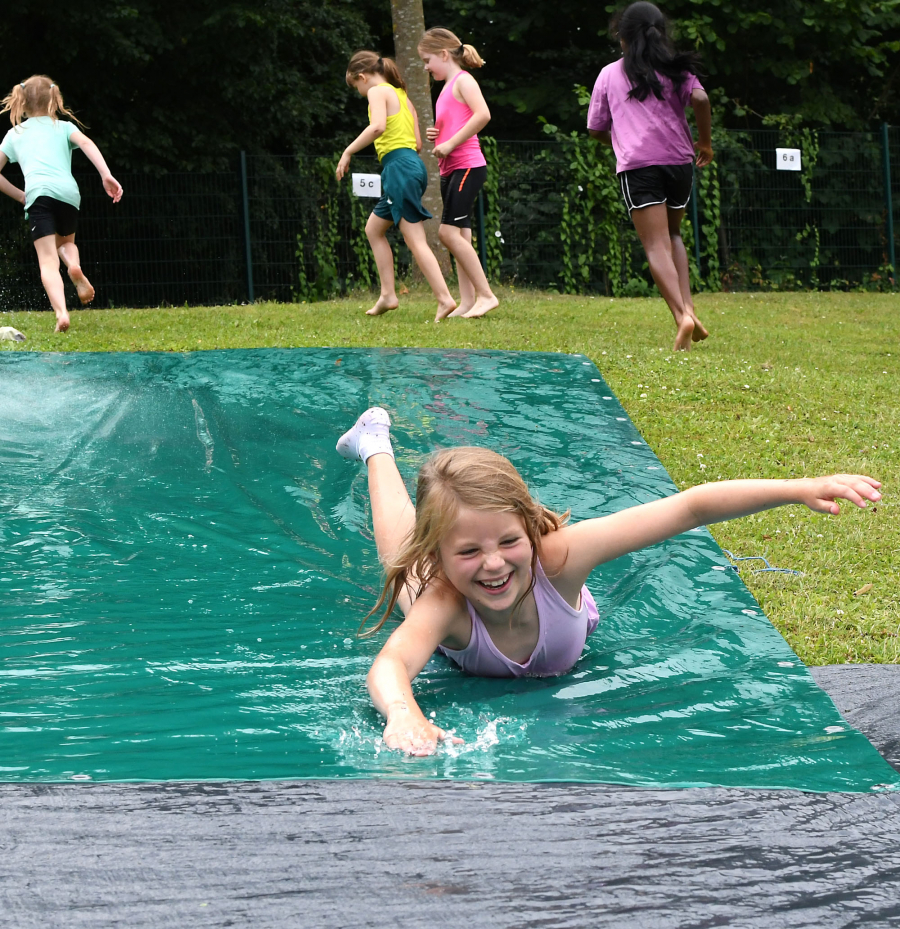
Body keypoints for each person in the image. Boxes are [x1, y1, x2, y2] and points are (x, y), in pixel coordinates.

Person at [336, 407, 881, 756]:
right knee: (402, 562)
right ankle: (375, 444)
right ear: (447, 554)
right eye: (469, 551)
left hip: (558, 609)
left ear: (529, 528)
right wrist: (404, 712)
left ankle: (393, 466)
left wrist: (798, 487)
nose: (494, 564)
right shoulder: (447, 600)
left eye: (507, 542)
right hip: (443, 588)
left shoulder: (560, 558)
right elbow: (390, 665)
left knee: (452, 559)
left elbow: (688, 507)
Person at [587, 2, 711, 352]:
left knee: (654, 244)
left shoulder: (610, 74)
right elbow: (700, 98)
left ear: (622, 38)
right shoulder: (675, 70)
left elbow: (596, 128)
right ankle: (690, 310)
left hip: (639, 166)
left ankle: (682, 317)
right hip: (679, 163)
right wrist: (705, 142)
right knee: (673, 235)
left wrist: (619, 135)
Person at [336, 52, 456, 321]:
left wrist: (348, 151)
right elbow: (418, 144)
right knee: (373, 229)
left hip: (400, 169)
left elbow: (377, 126)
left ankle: (445, 299)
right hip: (411, 166)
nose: (361, 92)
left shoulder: (377, 92)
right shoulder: (402, 96)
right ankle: (388, 295)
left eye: (357, 87)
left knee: (415, 239)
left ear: (362, 77)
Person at [0, 75, 122, 333]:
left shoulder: (15, 134)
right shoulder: (64, 127)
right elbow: (87, 143)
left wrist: (21, 195)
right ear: (54, 100)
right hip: (68, 194)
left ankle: (62, 314)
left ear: (21, 102)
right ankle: (74, 266)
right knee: (66, 243)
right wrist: (106, 175)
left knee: (47, 261)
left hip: (38, 195)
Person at [417, 28, 499, 320]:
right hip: (450, 168)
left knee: (447, 232)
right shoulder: (445, 87)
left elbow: (482, 115)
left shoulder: (464, 81)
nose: (426, 67)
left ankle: (487, 295)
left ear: (443, 54)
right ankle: (466, 301)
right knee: (461, 233)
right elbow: (455, 122)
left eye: (428, 60)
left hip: (467, 166)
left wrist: (451, 143)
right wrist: (437, 135)